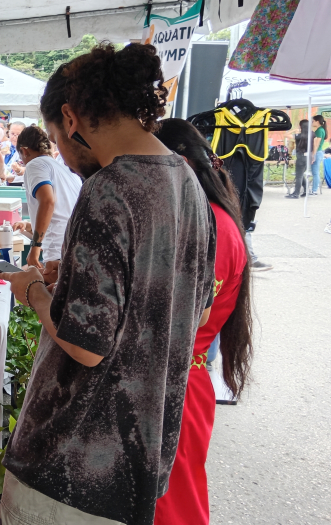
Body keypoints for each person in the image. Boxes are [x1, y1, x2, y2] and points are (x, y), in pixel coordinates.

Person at [0, 43, 216, 525]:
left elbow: (87, 347)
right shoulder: (190, 184)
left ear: (70, 118)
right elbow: (193, 311)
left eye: (56, 139)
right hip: (140, 459)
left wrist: (33, 290)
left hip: (71, 460)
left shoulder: (109, 190)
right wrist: (72, 278)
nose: (68, 161)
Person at [152, 118, 254, 525]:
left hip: (176, 385)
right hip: (179, 381)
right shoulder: (213, 217)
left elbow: (190, 316)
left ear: (179, 165)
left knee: (174, 507)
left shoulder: (208, 225)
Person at [12, 125, 82, 267]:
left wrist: (35, 247)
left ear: (24, 151)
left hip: (58, 252)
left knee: (19, 281)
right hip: (74, 248)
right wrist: (29, 225)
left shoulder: (35, 165)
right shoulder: (64, 169)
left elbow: (48, 201)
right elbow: (60, 213)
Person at [286, 120, 309, 199]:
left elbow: (287, 135)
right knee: (301, 175)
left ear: (301, 126)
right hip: (308, 157)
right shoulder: (312, 134)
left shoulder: (299, 136)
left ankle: (296, 193)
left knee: (299, 176)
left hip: (301, 156)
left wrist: (294, 130)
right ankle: (306, 191)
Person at [309, 115, 326, 195]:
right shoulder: (320, 130)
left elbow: (316, 144)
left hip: (317, 152)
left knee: (315, 172)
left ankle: (314, 190)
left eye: (313, 121)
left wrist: (313, 155)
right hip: (318, 152)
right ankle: (314, 189)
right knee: (315, 172)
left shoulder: (319, 130)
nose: (312, 122)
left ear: (317, 121)